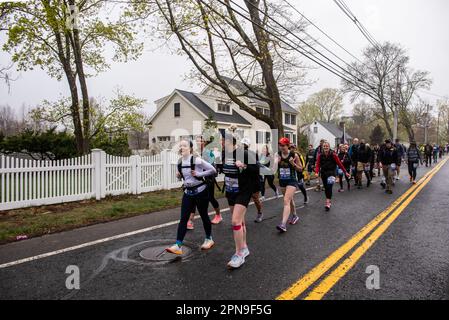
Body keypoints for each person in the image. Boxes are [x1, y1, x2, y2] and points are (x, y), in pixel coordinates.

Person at [166, 139, 217, 255]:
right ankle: (178, 245)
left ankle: (209, 239)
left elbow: (213, 170)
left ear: (190, 148)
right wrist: (179, 176)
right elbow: (185, 179)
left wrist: (200, 174)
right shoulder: (179, 162)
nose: (182, 147)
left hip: (201, 192)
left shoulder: (197, 160)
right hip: (188, 192)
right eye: (180, 146)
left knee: (204, 215)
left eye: (184, 146)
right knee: (183, 218)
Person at [222, 131, 259, 269]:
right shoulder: (225, 155)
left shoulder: (243, 153)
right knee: (240, 220)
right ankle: (244, 247)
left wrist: (244, 166)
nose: (221, 143)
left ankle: (238, 255)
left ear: (230, 142)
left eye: (223, 140)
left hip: (243, 191)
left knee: (235, 221)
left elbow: (256, 168)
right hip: (231, 191)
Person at [186, 136, 222, 231]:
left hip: (208, 179)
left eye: (200, 140)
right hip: (197, 179)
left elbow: (212, 168)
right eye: (197, 141)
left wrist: (202, 173)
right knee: (193, 198)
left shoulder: (208, 153)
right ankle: (190, 220)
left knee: (210, 198)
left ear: (204, 142)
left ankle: (218, 215)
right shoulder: (194, 153)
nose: (199, 142)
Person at [274, 137, 302, 232]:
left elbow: (300, 169)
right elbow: (273, 170)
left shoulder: (294, 155)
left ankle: (283, 224)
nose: (281, 147)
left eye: (283, 145)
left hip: (292, 180)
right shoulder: (277, 155)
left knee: (286, 200)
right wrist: (276, 163)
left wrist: (293, 163)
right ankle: (295, 215)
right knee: (289, 200)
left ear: (288, 146)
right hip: (282, 180)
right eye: (280, 145)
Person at [315, 141, 350, 211]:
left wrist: (345, 172)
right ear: (322, 147)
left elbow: (339, 164)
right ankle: (328, 199)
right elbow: (318, 164)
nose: (325, 147)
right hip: (323, 173)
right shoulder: (320, 155)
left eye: (327, 146)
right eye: (324, 146)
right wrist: (316, 172)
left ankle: (328, 201)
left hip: (331, 173)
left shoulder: (333, 154)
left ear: (329, 147)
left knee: (329, 187)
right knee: (326, 187)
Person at [241, 137, 264, 223]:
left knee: (255, 198)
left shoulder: (253, 154)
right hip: (245, 179)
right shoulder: (238, 154)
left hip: (254, 179)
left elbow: (256, 167)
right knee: (243, 199)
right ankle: (240, 217)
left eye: (244, 144)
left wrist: (245, 166)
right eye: (242, 144)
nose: (243, 146)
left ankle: (260, 212)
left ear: (248, 145)